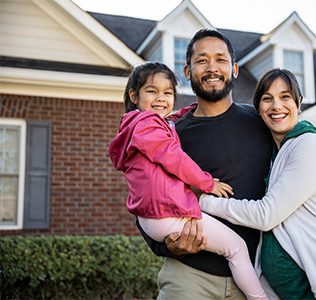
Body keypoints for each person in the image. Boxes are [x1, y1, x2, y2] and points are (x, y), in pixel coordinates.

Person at [137, 29, 316, 300]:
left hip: (254, 279)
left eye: (221, 59)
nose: (212, 67)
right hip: (190, 276)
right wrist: (168, 247)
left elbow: (308, 156)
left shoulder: (263, 119)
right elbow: (144, 197)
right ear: (187, 71)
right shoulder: (171, 134)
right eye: (202, 60)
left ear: (235, 69)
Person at [199, 68, 316, 300]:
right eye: (267, 99)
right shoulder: (275, 148)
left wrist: (202, 202)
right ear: (258, 109)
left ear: (298, 103)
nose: (276, 106)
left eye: (285, 97)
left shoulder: (309, 144)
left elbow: (267, 215)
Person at [108, 62, 269, 300]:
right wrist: (207, 183)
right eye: (152, 91)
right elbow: (175, 158)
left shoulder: (144, 126)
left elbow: (293, 150)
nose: (160, 98)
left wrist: (187, 112)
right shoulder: (148, 126)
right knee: (236, 249)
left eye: (168, 92)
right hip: (169, 218)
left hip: (155, 217)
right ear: (134, 95)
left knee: (234, 250)